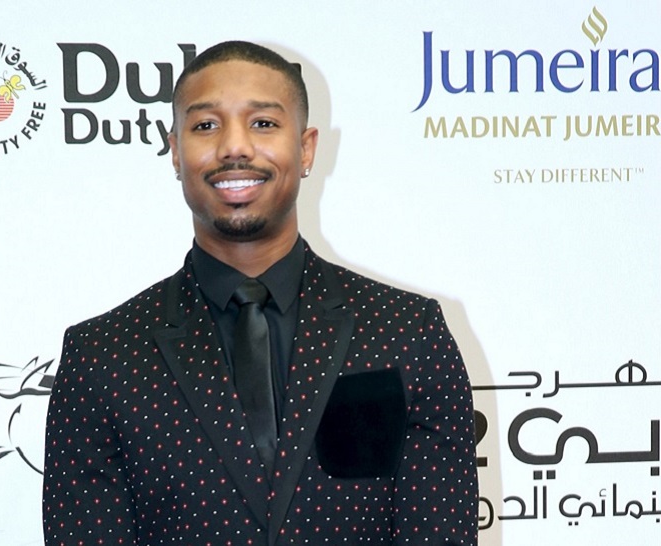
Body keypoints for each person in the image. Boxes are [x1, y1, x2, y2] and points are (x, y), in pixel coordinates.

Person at [43, 40, 478, 545]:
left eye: (263, 123)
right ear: (175, 152)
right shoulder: (103, 357)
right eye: (205, 125)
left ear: (307, 147)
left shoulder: (406, 334)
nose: (234, 146)